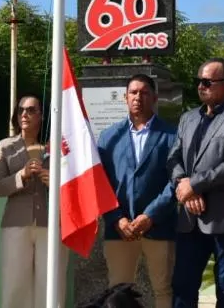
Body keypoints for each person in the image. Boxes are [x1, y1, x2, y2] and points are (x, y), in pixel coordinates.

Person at [168, 58, 224, 308]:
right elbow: (174, 157)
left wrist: (194, 185)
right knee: (182, 285)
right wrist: (184, 186)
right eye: (199, 81)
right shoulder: (188, 118)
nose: (201, 86)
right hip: (190, 219)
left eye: (208, 81)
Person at [96, 75, 176, 308]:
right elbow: (102, 182)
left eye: (144, 92)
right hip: (119, 228)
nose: (137, 98)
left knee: (163, 288)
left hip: (159, 226)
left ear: (155, 98)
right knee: (118, 291)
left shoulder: (172, 135)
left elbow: (175, 182)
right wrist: (116, 219)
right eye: (133, 93)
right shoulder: (109, 136)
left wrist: (149, 216)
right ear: (125, 97)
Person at [0, 94, 66, 308]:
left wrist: (54, 183)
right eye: (21, 110)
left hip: (50, 224)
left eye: (31, 110)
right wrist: (21, 176)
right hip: (15, 223)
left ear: (42, 116)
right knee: (15, 286)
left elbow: (72, 186)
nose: (25, 114)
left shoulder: (55, 148)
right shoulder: (5, 146)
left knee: (51, 285)